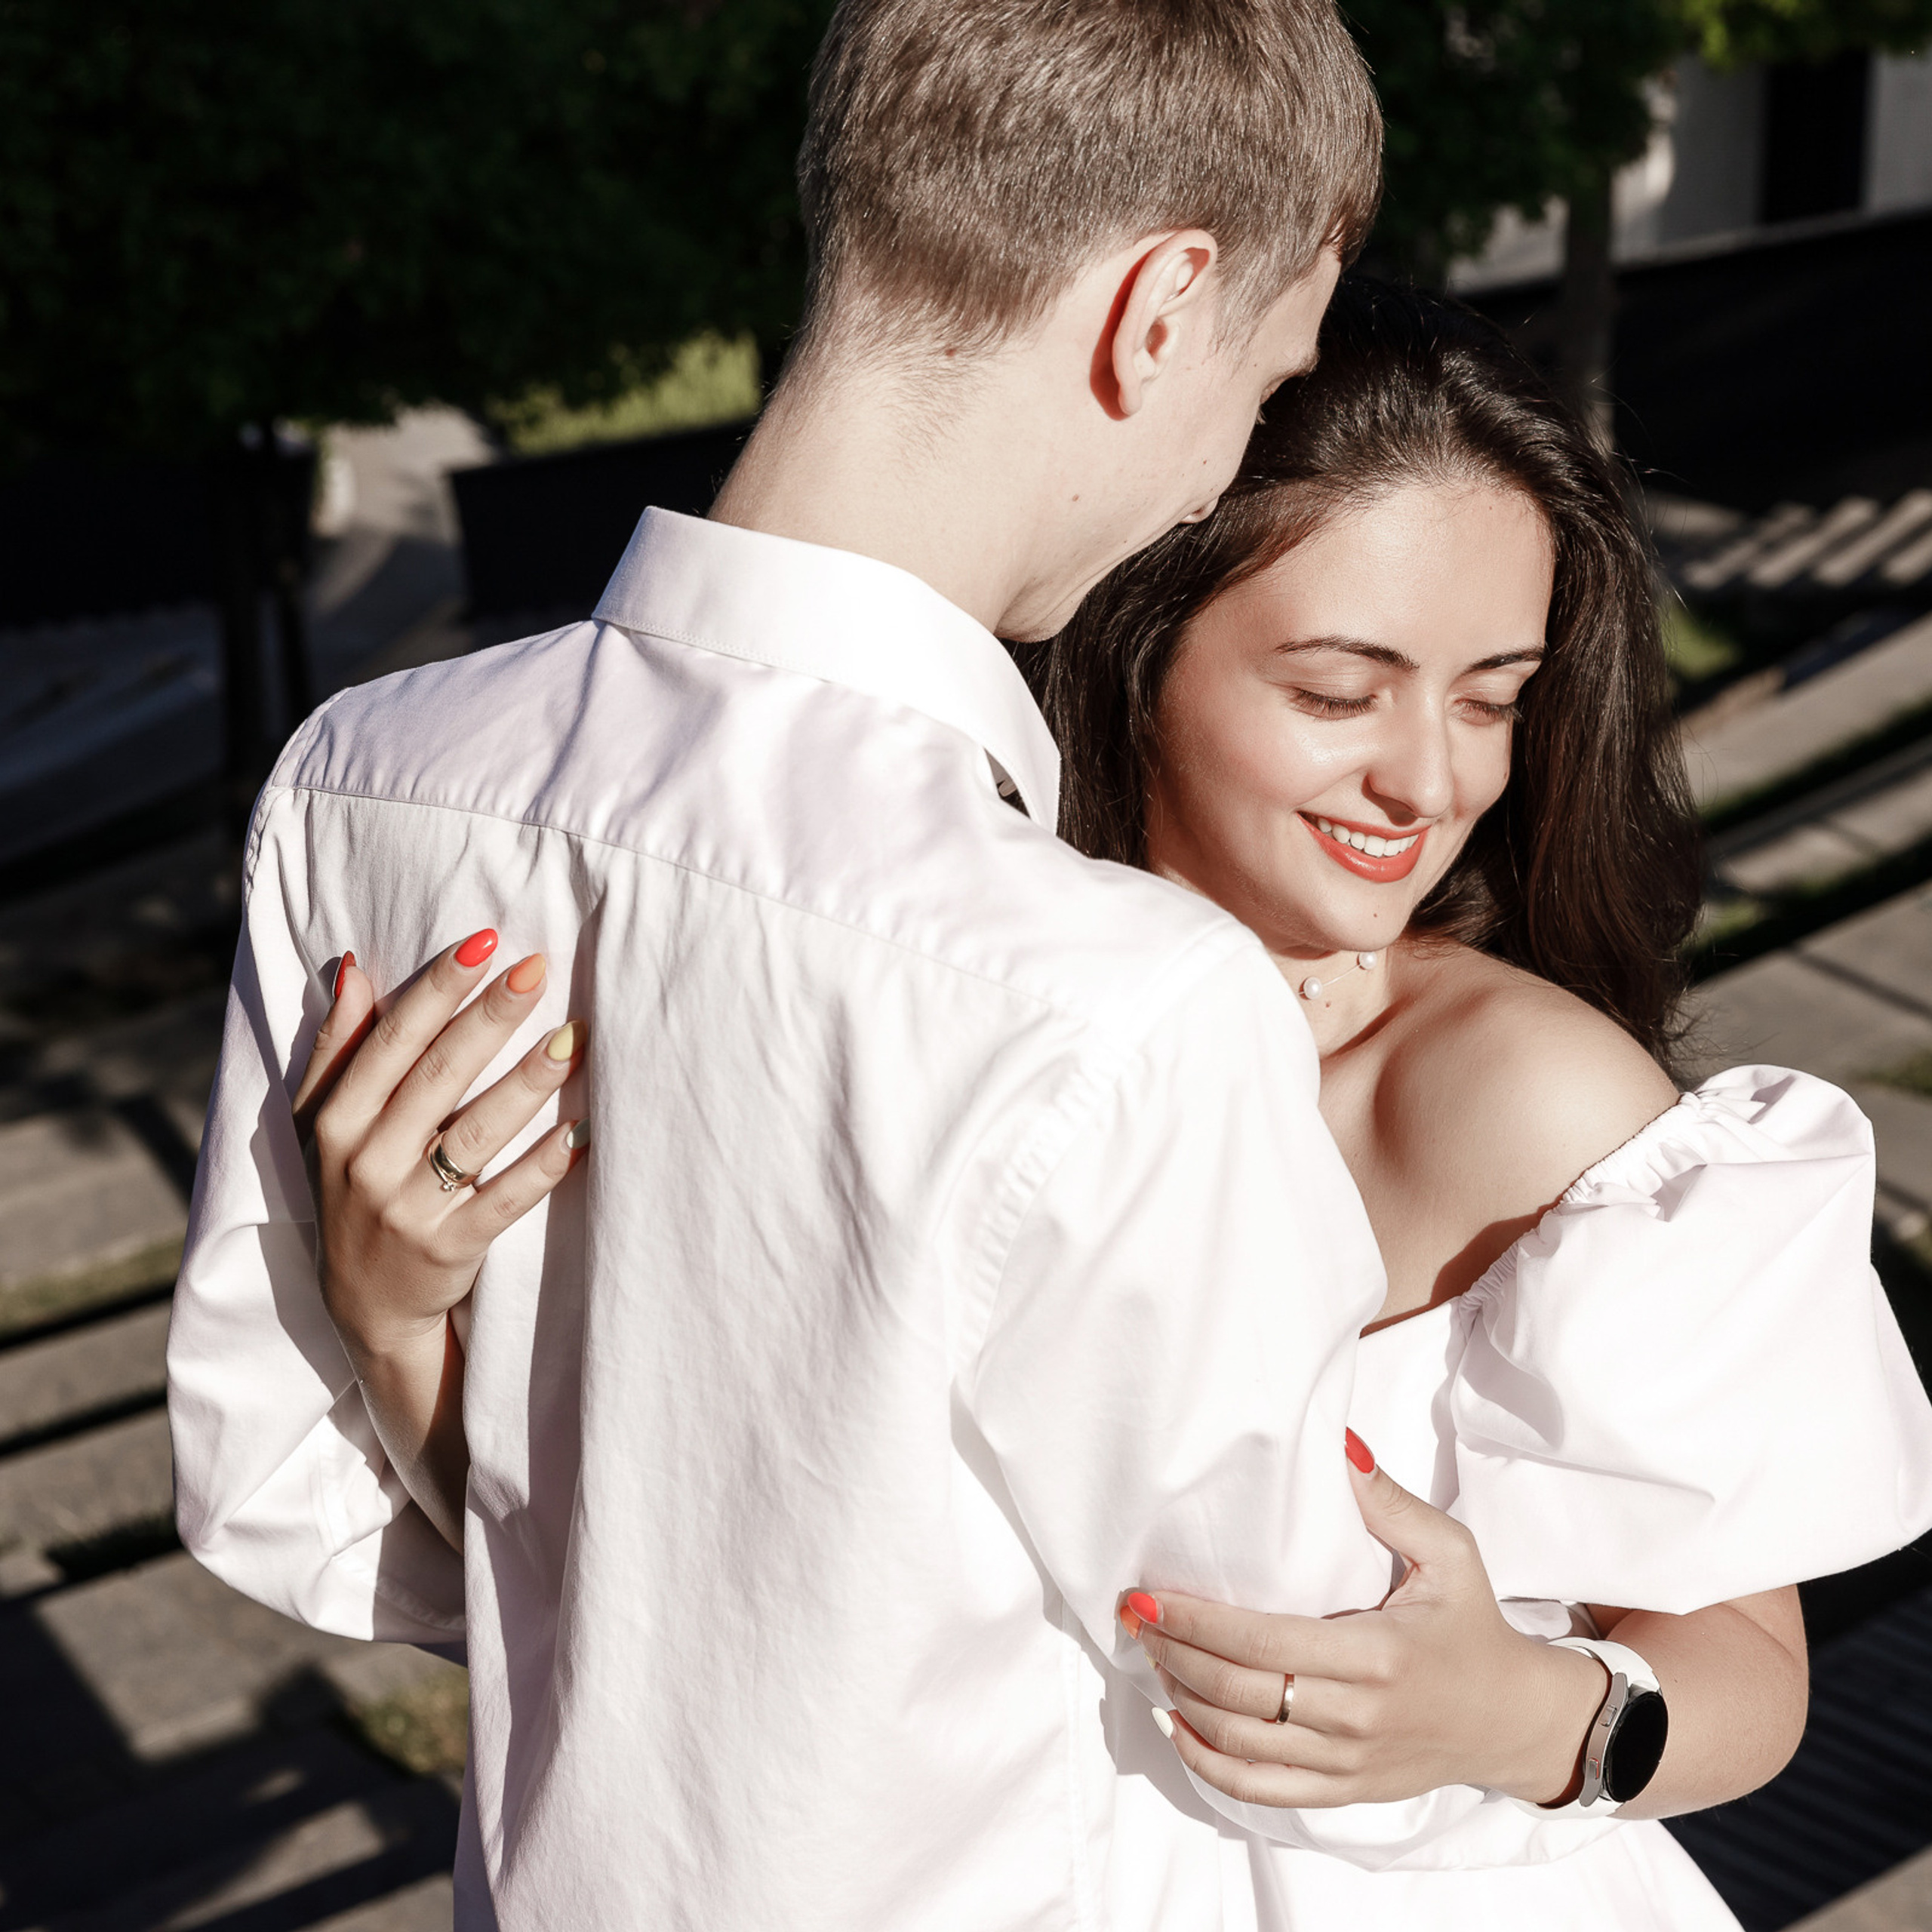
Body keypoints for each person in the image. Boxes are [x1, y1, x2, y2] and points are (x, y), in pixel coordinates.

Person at [284, 281, 1932, 1931]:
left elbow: (1747, 1670)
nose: (1427, 780)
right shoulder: (930, 1011)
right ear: (1139, 654)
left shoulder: (1518, 1096)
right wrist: (394, 1318)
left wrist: (1525, 1712)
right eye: (1338, 690)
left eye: (1490, 694)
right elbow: (658, 1589)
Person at [167, 3, 1403, 1927]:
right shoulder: (1115, 999)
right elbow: (1293, 1692)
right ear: (1155, 310)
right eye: (1258, 391)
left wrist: (421, 1339)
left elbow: (283, 1498)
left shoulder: (365, 772)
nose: (1205, 486)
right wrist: (1603, 1696)